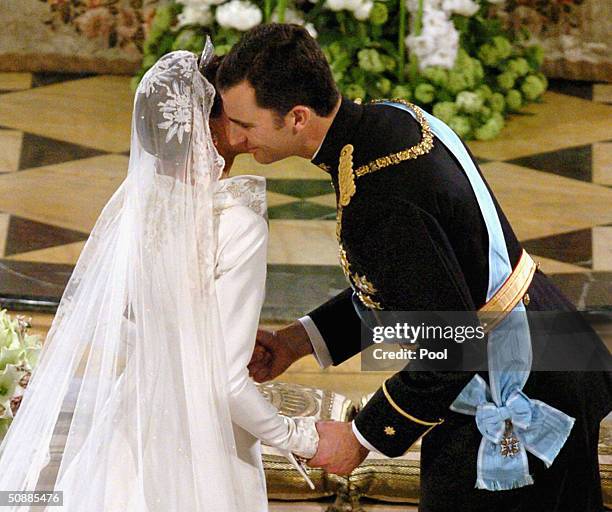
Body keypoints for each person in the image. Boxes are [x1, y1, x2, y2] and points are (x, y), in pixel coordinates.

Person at [216, 23, 612, 511]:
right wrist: (297, 342)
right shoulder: (389, 120)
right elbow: (412, 285)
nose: (234, 137)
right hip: (554, 341)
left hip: (518, 384)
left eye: (245, 124)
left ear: (297, 117)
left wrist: (362, 435)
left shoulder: (377, 197)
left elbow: (451, 343)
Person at [0, 41, 318, 511]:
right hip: (205, 446)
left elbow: (128, 329)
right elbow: (226, 383)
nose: (244, 125)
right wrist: (301, 438)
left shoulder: (136, 210)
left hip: (133, 424)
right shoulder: (236, 225)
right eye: (232, 114)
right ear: (205, 129)